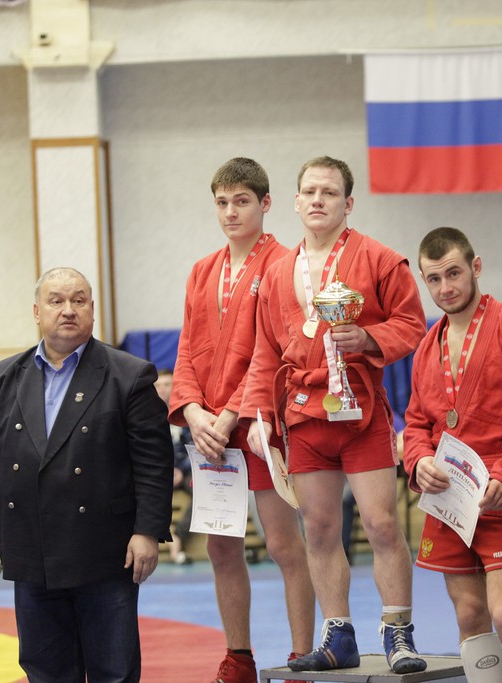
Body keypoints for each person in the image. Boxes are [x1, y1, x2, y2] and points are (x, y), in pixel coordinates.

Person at [242, 156, 428, 674]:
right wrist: (259, 417)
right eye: (310, 191)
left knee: (382, 524)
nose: (318, 200)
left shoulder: (381, 260)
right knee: (320, 529)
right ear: (296, 202)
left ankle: (398, 633)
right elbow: (264, 351)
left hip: (361, 412)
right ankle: (338, 634)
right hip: (304, 414)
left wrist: (368, 337)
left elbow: (413, 324)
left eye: (329, 192)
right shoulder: (277, 273)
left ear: (348, 203)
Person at [0, 267, 175, 683]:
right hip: (30, 547)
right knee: (46, 672)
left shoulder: (129, 374)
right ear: (36, 311)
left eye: (79, 300)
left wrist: (147, 530)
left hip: (106, 550)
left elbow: (153, 462)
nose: (68, 310)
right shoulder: (2, 377)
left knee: (114, 672)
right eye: (56, 301)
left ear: (92, 309)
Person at [167, 157, 315, 683]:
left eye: (242, 201)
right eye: (222, 202)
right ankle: (238, 657)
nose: (231, 212)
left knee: (283, 544)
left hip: (258, 427)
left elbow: (272, 351)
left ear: (265, 203)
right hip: (211, 433)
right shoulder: (202, 271)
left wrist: (231, 414)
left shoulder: (284, 264)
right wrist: (191, 411)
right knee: (220, 547)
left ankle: (302, 657)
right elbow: (187, 350)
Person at [404, 227, 502, 683]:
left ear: (475, 266)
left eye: (454, 273)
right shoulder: (426, 348)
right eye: (434, 279)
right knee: (469, 614)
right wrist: (419, 460)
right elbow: (416, 420)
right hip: (449, 500)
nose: (445, 287)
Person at [154, 368, 193, 565]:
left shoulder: (186, 412)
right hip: (157, 473)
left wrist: (181, 470)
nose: (162, 389)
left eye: (166, 384)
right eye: (158, 385)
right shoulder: (145, 416)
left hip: (185, 472)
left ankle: (177, 535)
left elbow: (194, 446)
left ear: (174, 386)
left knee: (203, 492)